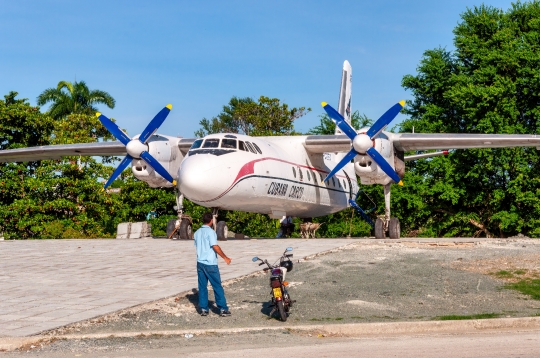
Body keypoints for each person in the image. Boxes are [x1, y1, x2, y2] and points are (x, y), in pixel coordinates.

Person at [194, 212, 232, 316]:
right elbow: (215, 246)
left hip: (200, 263)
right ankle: (223, 309)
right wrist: (225, 257)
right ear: (211, 220)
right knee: (217, 286)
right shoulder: (211, 232)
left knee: (202, 287)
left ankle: (203, 309)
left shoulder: (197, 232)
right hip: (210, 264)